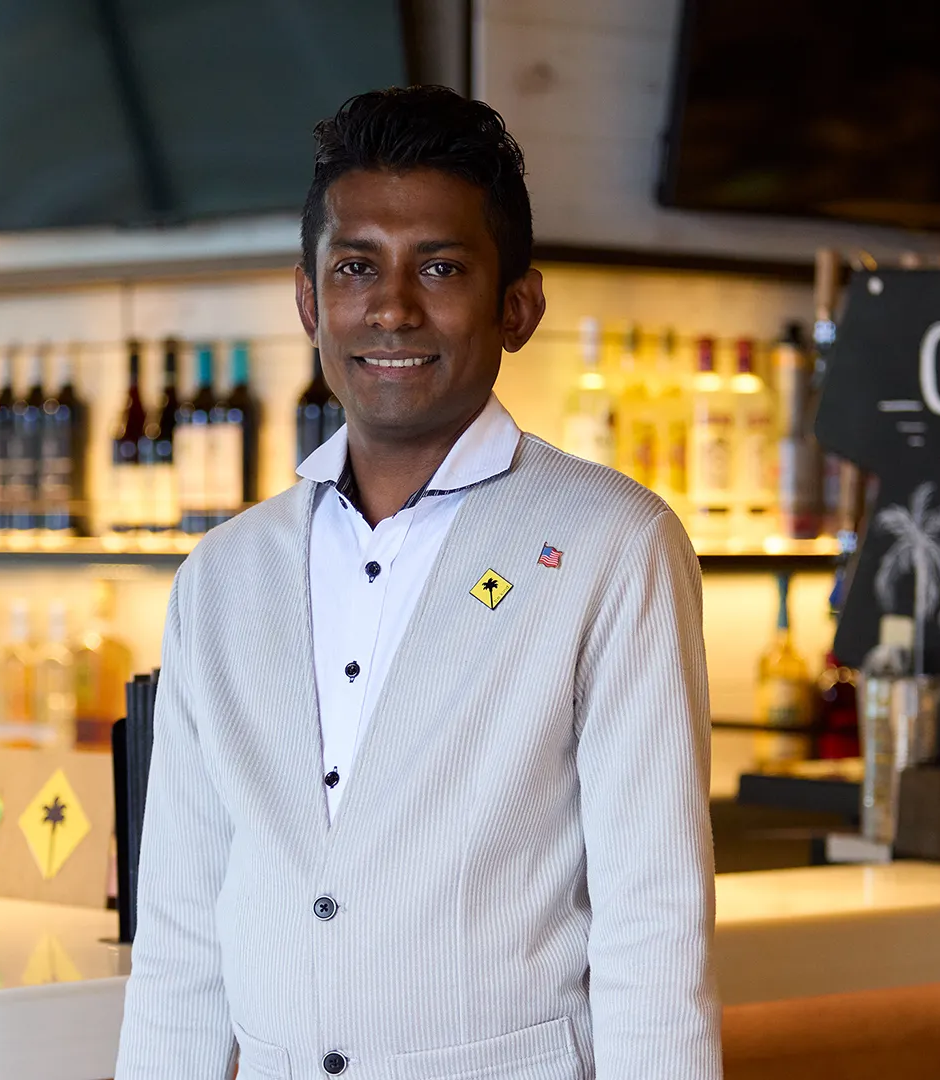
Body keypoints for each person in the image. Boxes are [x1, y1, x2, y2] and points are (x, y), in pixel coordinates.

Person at [115, 85, 719, 1080]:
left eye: (440, 267)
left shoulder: (612, 544)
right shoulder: (222, 575)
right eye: (356, 267)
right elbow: (183, 931)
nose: (393, 307)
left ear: (517, 307)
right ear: (309, 303)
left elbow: (653, 922)